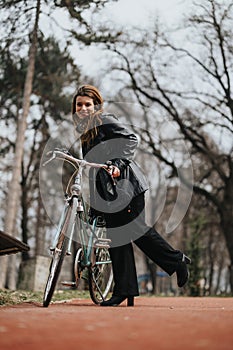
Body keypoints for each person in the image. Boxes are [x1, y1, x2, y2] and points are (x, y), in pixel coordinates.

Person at [72, 84, 191, 307]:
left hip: (126, 188)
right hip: (108, 195)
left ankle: (177, 261)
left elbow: (130, 139)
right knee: (118, 240)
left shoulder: (104, 120)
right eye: (79, 104)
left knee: (137, 231)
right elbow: (92, 169)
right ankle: (124, 290)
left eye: (88, 104)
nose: (83, 108)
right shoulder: (86, 132)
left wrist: (116, 164)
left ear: (96, 105)